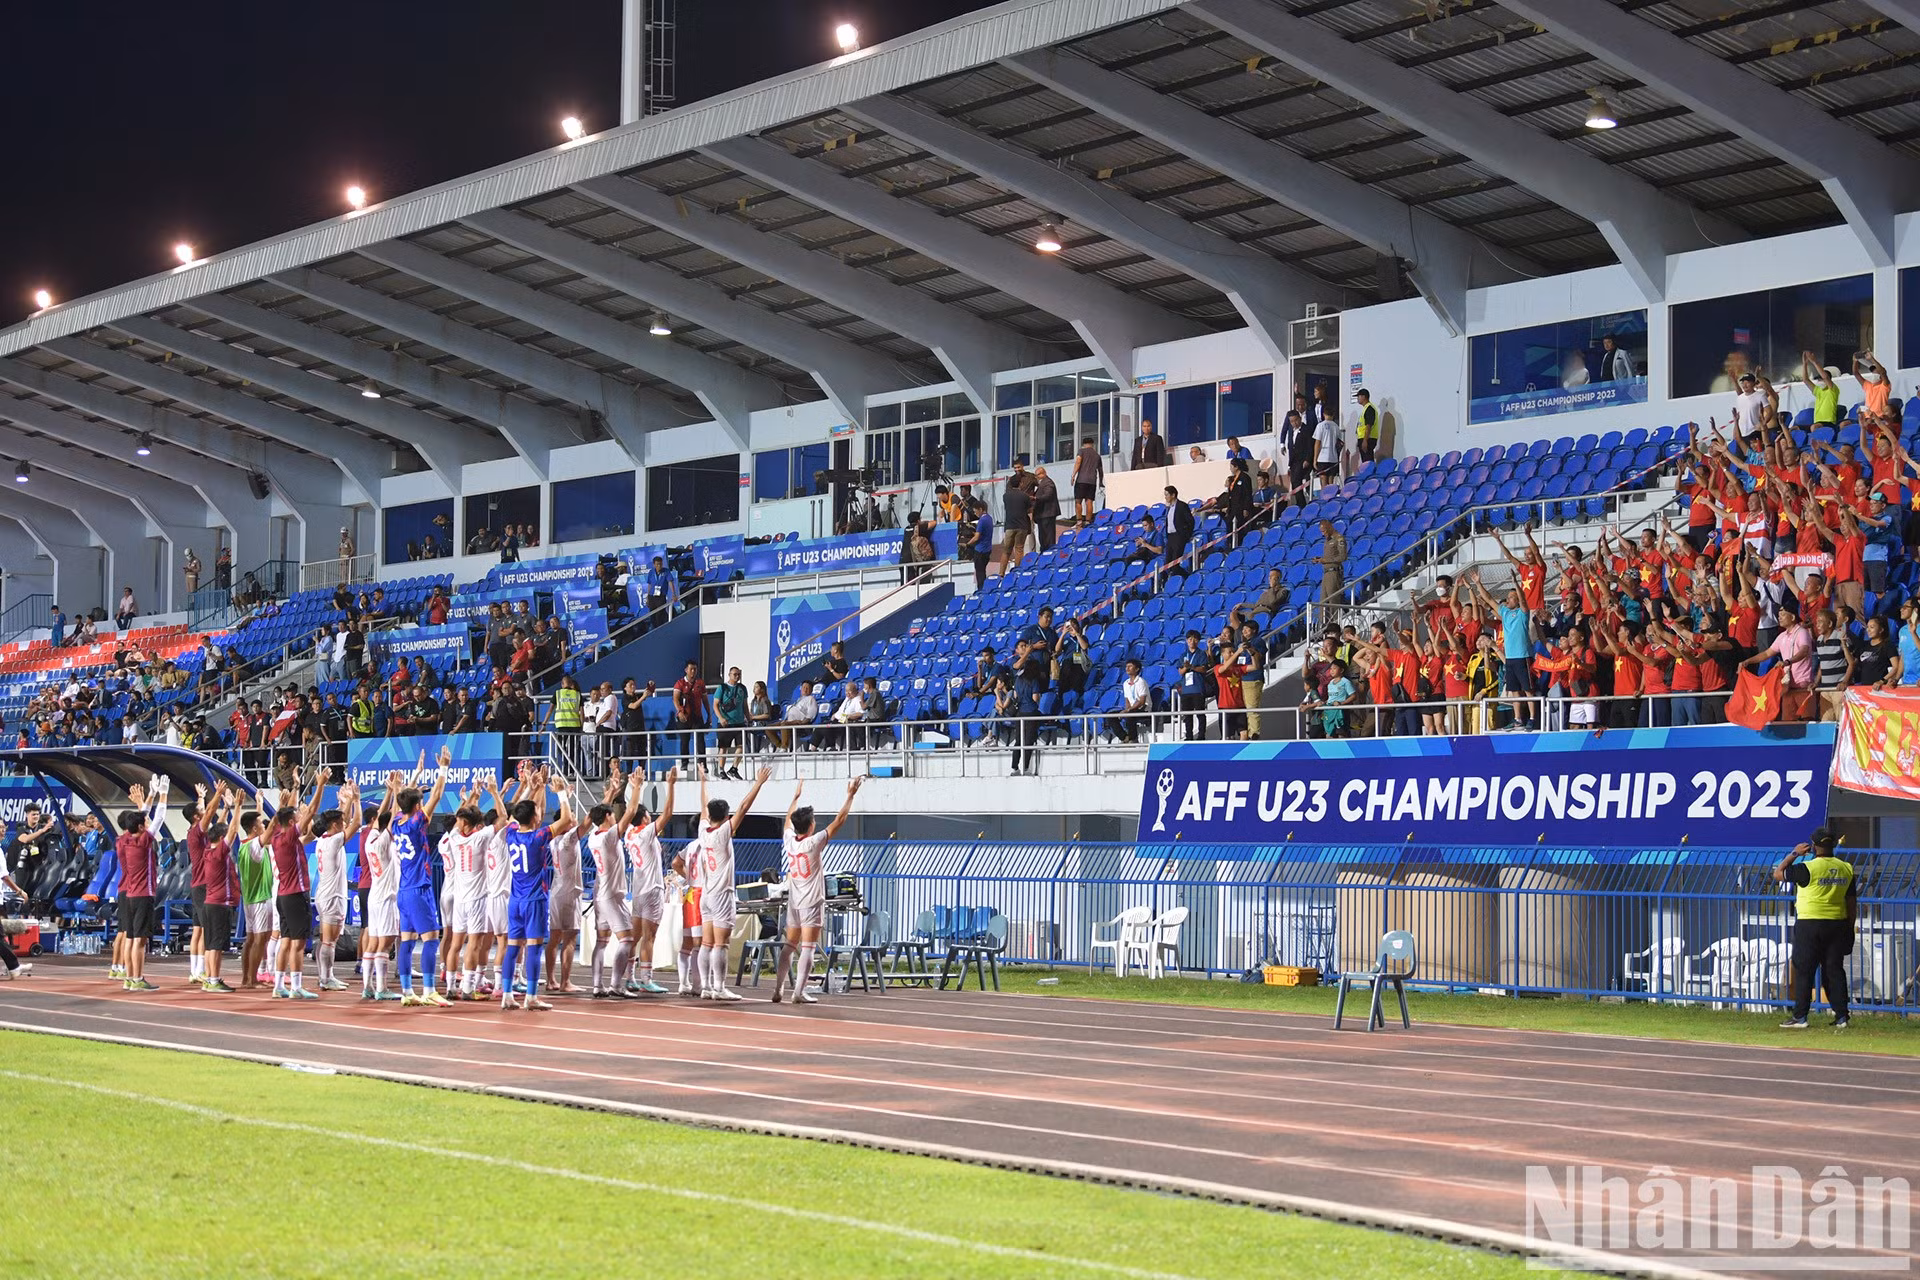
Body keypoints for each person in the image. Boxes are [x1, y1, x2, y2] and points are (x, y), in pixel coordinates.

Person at [775, 775, 865, 1004]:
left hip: (794, 901)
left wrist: (794, 798)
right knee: (808, 947)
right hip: (812, 901)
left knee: (789, 946)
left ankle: (778, 989)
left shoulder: (790, 841)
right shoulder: (813, 843)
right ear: (811, 825)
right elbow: (840, 820)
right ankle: (798, 992)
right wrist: (850, 795)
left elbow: (787, 821)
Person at [694, 765, 773, 1002]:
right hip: (721, 894)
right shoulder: (721, 833)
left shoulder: (703, 830)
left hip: (706, 895)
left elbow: (703, 807)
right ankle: (719, 987)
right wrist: (758, 784)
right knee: (722, 944)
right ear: (726, 817)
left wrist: (703, 781)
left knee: (706, 944)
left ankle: (706, 987)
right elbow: (744, 808)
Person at [500, 765, 574, 1011]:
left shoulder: (511, 833)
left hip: (515, 900)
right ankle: (531, 996)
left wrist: (533, 788)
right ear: (534, 818)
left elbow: (513, 816)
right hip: (534, 900)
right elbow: (567, 820)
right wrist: (562, 793)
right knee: (533, 947)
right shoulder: (538, 837)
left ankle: (507, 994)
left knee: (513, 948)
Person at [1773, 829, 1856, 1030]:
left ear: (1814, 845)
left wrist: (1794, 854)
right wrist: (1850, 927)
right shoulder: (1846, 868)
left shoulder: (1808, 867)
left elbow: (1778, 874)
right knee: (1834, 970)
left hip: (1810, 923)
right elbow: (1851, 902)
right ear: (1834, 844)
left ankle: (1800, 1017)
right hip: (1837, 923)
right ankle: (1842, 1017)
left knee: (1804, 970)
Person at [393, 747, 455, 1007]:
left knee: (407, 941)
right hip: (419, 888)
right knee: (431, 938)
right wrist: (444, 768)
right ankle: (429, 989)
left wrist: (413, 786)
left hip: (403, 890)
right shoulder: (418, 821)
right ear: (417, 806)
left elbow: (404, 801)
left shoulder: (396, 821)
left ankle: (407, 991)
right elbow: (439, 793)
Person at [268, 772, 327, 1000]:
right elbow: (310, 811)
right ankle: (296, 987)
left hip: (282, 896)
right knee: (298, 943)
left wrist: (294, 791)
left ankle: (279, 985)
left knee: (285, 940)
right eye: (296, 817)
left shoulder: (276, 838)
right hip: (295, 895)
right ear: (292, 823)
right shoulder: (290, 837)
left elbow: (301, 829)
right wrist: (319, 785)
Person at [619, 765, 677, 996]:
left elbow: (632, 810)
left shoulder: (629, 834)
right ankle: (646, 979)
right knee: (649, 937)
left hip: (638, 889)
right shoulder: (644, 833)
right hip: (652, 889)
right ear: (643, 819)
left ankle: (629, 977)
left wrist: (636, 789)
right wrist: (670, 786)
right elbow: (668, 814)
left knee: (634, 937)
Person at [114, 778, 167, 992]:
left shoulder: (122, 841)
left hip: (127, 893)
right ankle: (137, 978)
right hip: (143, 894)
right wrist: (162, 793)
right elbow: (158, 819)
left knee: (129, 937)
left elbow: (140, 820)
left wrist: (148, 798)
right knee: (140, 940)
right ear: (139, 827)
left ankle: (129, 977)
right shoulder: (144, 841)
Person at [310, 778, 362, 992]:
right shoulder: (332, 841)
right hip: (332, 897)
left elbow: (345, 820)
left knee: (328, 938)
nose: (344, 823)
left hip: (326, 893)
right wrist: (356, 800)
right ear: (334, 826)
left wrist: (344, 802)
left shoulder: (323, 839)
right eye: (340, 822)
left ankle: (326, 976)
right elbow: (356, 823)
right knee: (330, 940)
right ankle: (326, 978)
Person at [1002, 473, 1033, 573]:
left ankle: (1001, 573)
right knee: (1019, 549)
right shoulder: (1025, 496)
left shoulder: (1005, 496)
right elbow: (1029, 510)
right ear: (1020, 483)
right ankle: (1017, 571)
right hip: (1022, 526)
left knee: (1006, 551)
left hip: (1009, 526)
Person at [1071, 435, 1102, 526]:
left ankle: (1079, 521)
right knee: (1089, 502)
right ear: (1092, 444)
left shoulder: (1081, 451)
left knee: (1078, 501)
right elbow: (1100, 470)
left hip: (1081, 480)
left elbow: (1078, 462)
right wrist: (1100, 481)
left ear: (1084, 444)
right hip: (1092, 481)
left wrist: (1073, 475)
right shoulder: (1097, 455)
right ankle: (1088, 521)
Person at [966, 497, 994, 589]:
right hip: (987, 549)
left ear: (981, 509)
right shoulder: (989, 518)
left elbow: (977, 537)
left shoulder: (982, 520)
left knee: (980, 573)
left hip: (980, 551)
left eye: (975, 511)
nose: (975, 513)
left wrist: (968, 543)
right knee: (982, 572)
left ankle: (981, 590)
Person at [1318, 520, 1347, 608]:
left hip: (1334, 572)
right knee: (1323, 602)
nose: (1323, 534)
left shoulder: (1339, 539)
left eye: (1324, 531)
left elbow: (1342, 557)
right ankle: (1324, 621)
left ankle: (1334, 621)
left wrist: (1326, 560)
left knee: (1333, 601)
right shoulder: (1327, 540)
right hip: (1326, 572)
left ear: (1329, 527)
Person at [1031, 466, 1060, 552]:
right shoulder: (1043, 483)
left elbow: (1048, 495)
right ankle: (1045, 550)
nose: (1036, 477)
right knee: (1043, 536)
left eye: (1038, 475)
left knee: (1048, 536)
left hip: (1047, 513)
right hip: (1043, 514)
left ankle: (1049, 552)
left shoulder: (1048, 483)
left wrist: (1036, 498)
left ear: (1044, 473)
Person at [1352, 388, 1379, 464]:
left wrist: (1365, 440)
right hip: (1365, 438)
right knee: (1365, 461)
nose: (1357, 398)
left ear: (1364, 397)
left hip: (1368, 438)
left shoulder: (1369, 408)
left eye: (1358, 396)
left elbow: (1369, 425)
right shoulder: (1366, 408)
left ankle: (1370, 475)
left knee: (1368, 462)